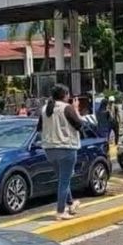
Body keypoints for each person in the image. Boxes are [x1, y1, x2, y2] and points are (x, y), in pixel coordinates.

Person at [37, 85, 83, 221]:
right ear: (64, 95)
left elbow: (39, 128)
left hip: (49, 149)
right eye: (68, 94)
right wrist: (76, 109)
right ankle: (60, 211)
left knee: (63, 179)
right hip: (66, 147)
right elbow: (79, 125)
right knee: (64, 181)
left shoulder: (45, 109)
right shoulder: (66, 108)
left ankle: (71, 203)